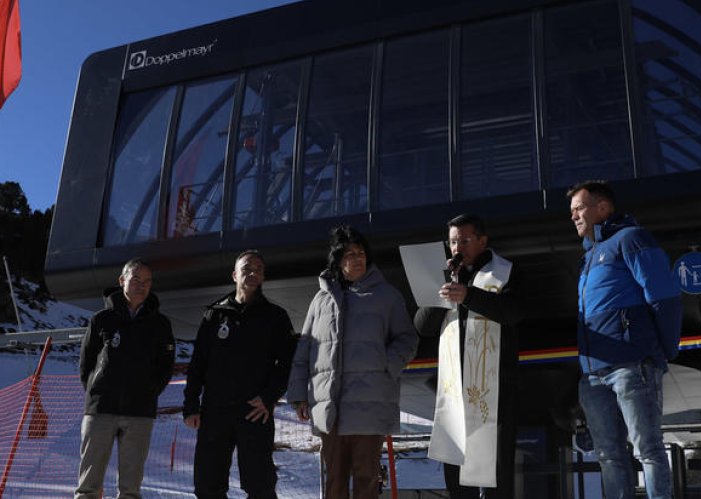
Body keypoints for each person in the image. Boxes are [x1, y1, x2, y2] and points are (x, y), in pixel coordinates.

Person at [568, 180, 682, 499]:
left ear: (603, 207)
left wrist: (665, 350)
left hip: (632, 365)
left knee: (648, 449)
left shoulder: (631, 239)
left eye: (579, 208)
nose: (573, 216)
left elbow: (664, 297)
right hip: (593, 374)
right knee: (608, 456)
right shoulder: (587, 258)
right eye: (571, 211)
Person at [287, 225, 419, 499]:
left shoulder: (387, 296)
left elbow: (407, 338)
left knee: (366, 479)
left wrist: (386, 365)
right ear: (338, 261)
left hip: (369, 403)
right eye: (350, 254)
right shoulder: (320, 300)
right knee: (334, 480)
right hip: (330, 407)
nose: (357, 258)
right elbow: (305, 349)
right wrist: (299, 396)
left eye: (361, 253)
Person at [415, 214, 523, 499]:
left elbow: (513, 312)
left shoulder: (505, 271)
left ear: (482, 240)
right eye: (453, 242)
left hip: (496, 388)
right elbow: (423, 327)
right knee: (456, 472)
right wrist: (439, 297)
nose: (457, 248)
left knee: (497, 471)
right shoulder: (446, 276)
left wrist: (469, 296)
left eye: (464, 240)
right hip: (454, 390)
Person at [183, 250, 296, 499]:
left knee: (260, 486)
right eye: (246, 268)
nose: (252, 272)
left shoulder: (275, 317)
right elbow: (198, 363)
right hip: (215, 411)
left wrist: (269, 397)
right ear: (235, 275)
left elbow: (288, 363)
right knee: (208, 485)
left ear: (263, 276)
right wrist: (191, 405)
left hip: (254, 411)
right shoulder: (214, 315)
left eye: (258, 269)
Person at [76, 258, 176, 499]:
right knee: (88, 487)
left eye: (147, 282)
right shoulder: (101, 319)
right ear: (122, 281)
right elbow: (86, 364)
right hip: (100, 410)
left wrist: (148, 391)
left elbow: (165, 367)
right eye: (136, 279)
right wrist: (97, 391)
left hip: (139, 413)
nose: (141, 286)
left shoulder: (161, 324)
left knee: (131, 489)